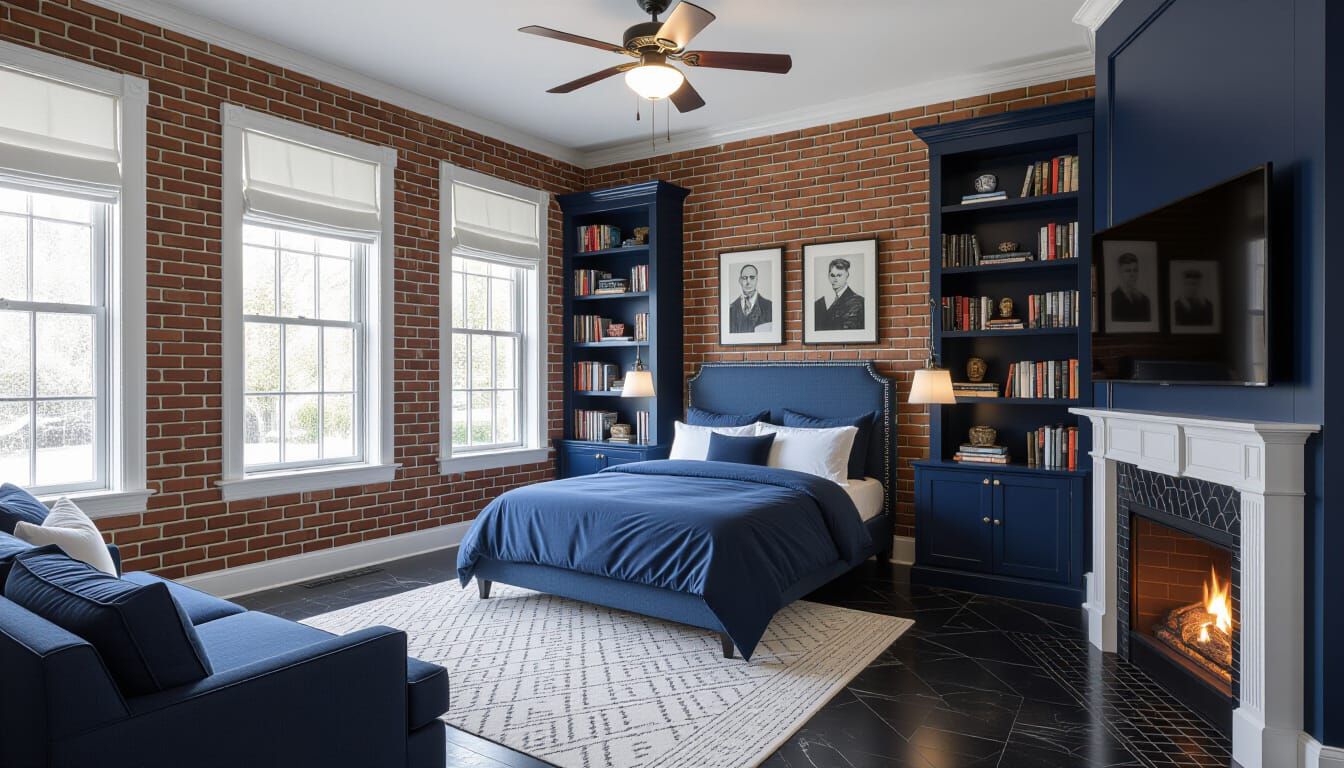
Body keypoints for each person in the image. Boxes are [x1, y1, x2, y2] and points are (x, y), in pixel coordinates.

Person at [813, 257, 865, 330]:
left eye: (839, 275)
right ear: (828, 276)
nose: (835, 280)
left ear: (847, 275)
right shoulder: (819, 303)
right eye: (832, 275)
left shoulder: (859, 302)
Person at [727, 263, 773, 333]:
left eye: (752, 277)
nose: (748, 282)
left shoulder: (769, 307)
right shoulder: (731, 309)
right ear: (740, 280)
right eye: (744, 278)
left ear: (757, 280)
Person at [1110, 252, 1152, 323]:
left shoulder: (1145, 300)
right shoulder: (1112, 299)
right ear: (1120, 273)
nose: (1132, 275)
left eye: (1135, 270)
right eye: (1128, 271)